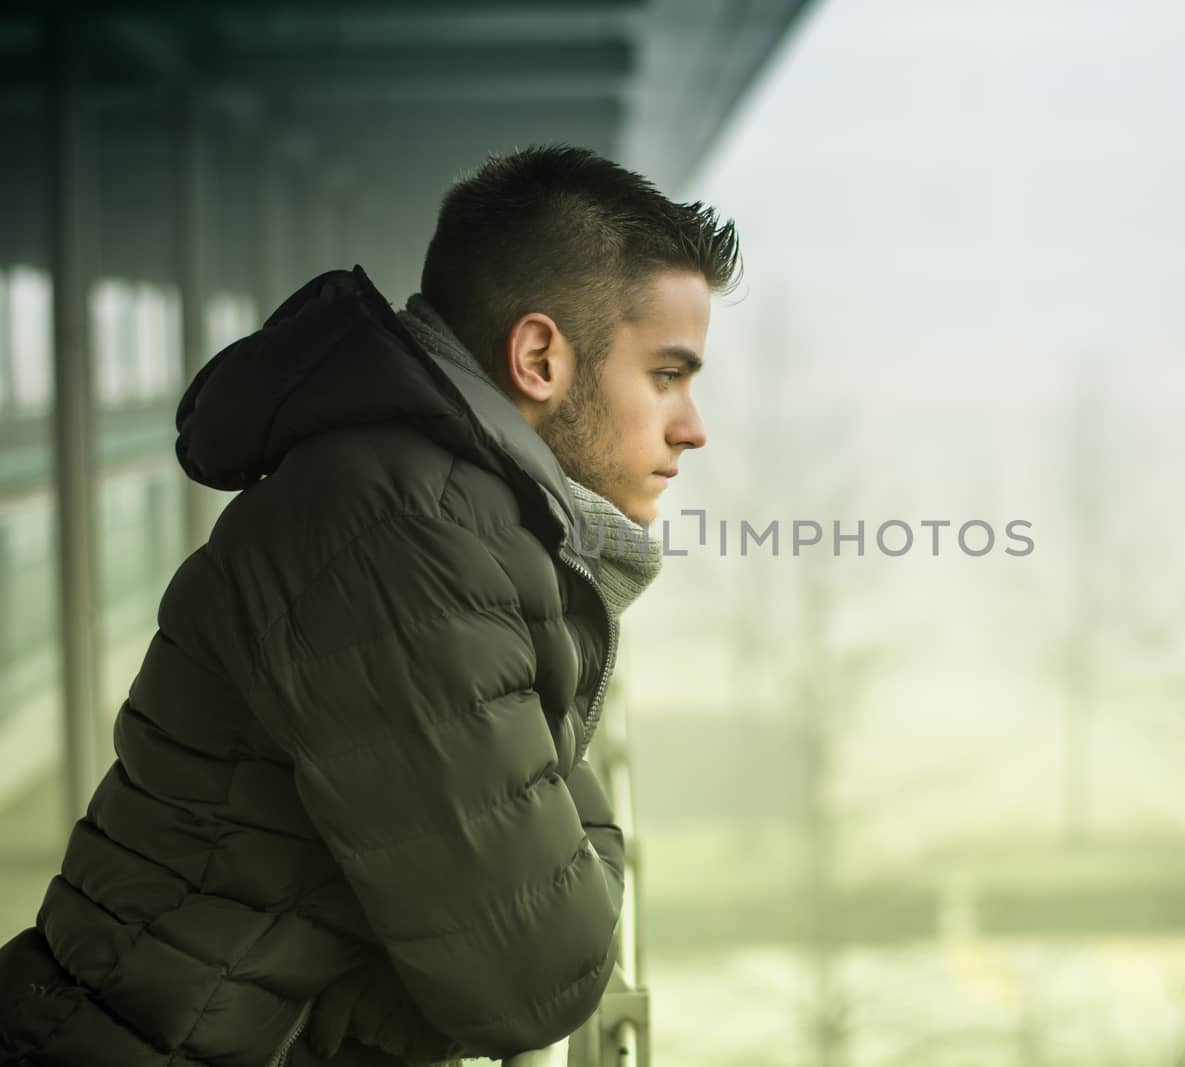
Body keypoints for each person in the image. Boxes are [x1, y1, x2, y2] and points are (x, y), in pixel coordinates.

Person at [0, 143, 741, 1066]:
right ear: (540, 356)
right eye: (668, 374)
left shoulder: (441, 507)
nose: (692, 426)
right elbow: (540, 973)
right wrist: (584, 830)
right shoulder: (408, 536)